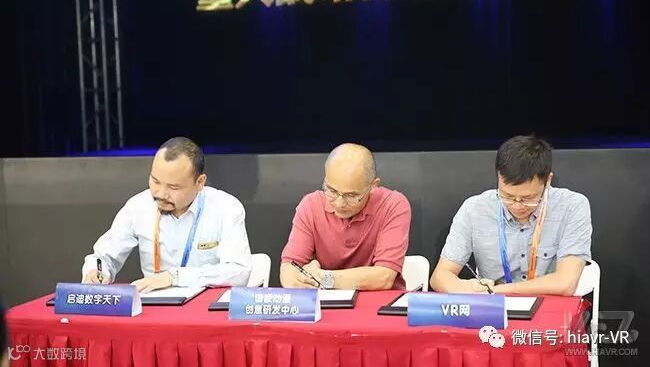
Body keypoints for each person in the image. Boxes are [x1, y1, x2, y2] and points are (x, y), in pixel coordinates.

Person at [82, 137, 252, 293]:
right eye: (155, 181)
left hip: (205, 306)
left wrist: (174, 277)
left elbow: (239, 271)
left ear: (200, 182)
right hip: (153, 305)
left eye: (173, 187)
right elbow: (103, 257)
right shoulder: (138, 206)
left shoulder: (226, 208)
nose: (160, 193)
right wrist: (96, 271)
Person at [430, 135, 592, 296]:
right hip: (494, 308)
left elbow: (565, 283)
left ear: (547, 181)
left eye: (528, 198)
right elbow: (439, 277)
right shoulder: (474, 209)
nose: (517, 205)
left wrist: (497, 291)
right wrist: (467, 288)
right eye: (507, 196)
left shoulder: (572, 206)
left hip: (549, 305)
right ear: (498, 177)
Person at [280, 143, 411, 290]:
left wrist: (324, 278)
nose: (339, 203)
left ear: (373, 186)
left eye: (351, 196)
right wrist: (296, 280)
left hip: (381, 302)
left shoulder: (393, 205)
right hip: (325, 302)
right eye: (331, 191)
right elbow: (289, 269)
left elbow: (384, 278)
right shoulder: (310, 206)